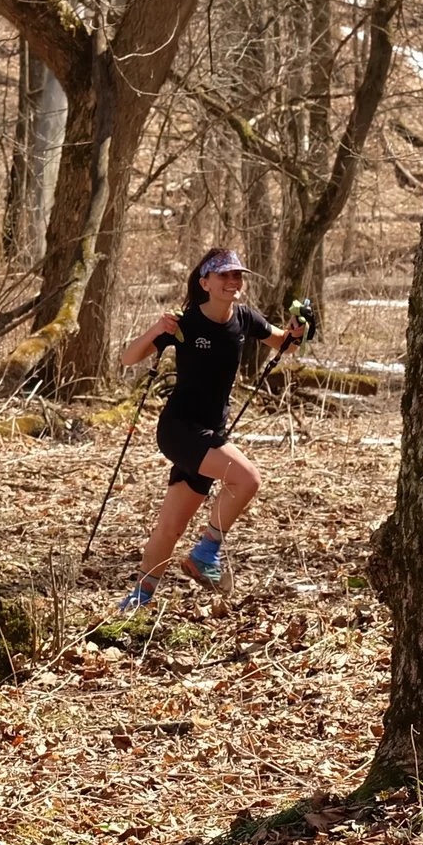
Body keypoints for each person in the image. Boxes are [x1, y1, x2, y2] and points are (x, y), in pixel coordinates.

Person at [113, 248, 305, 613]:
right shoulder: (185, 322)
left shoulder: (246, 318)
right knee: (247, 479)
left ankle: (137, 601)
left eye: (237, 276)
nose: (233, 282)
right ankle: (205, 554)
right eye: (224, 276)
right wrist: (157, 328)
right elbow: (128, 358)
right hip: (180, 429)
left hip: (212, 431)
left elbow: (286, 344)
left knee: (170, 526)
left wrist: (300, 330)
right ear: (205, 283)